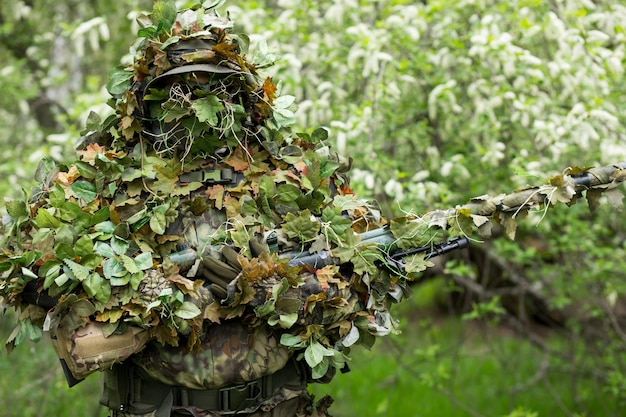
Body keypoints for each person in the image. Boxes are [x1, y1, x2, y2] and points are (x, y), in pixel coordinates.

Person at [1, 2, 422, 416]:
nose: (193, 108)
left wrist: (283, 292)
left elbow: (364, 276)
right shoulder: (108, 181)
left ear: (243, 98)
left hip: (278, 405)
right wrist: (144, 294)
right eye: (176, 92)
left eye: (213, 89)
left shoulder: (294, 180)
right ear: (145, 102)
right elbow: (26, 268)